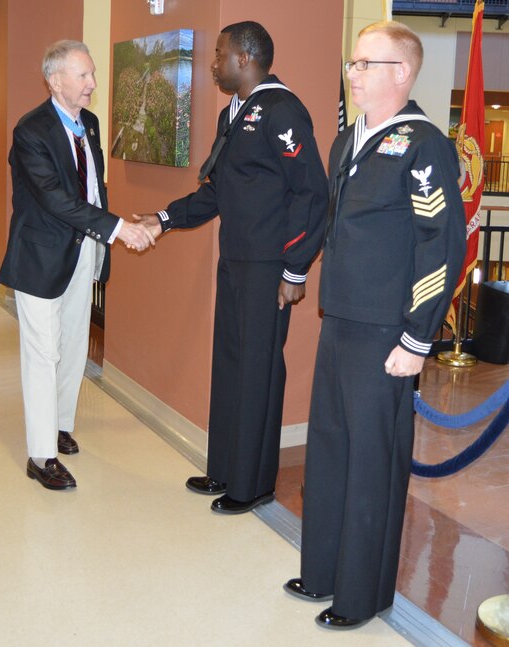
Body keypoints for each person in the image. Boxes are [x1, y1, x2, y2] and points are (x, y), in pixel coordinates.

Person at [284, 21, 465, 629]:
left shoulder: (422, 144)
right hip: (341, 321)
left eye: (366, 64)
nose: (353, 74)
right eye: (353, 64)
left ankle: (362, 596)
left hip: (388, 333)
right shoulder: (347, 142)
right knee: (330, 451)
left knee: (371, 464)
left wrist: (417, 338)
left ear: (402, 73)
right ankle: (322, 572)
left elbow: (441, 245)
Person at [137, 22, 328, 514]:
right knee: (231, 364)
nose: (213, 62)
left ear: (244, 58)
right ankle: (223, 467)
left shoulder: (282, 110)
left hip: (269, 267)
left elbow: (312, 192)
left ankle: (252, 483)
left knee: (258, 370)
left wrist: (295, 269)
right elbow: (215, 193)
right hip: (236, 260)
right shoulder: (233, 112)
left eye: (219, 54)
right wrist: (163, 219)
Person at [0, 40, 155, 490]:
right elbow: (53, 198)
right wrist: (117, 228)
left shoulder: (90, 123)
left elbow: (91, 188)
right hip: (42, 254)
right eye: (83, 76)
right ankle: (40, 453)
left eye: (92, 75)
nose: (92, 85)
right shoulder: (31, 131)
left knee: (72, 345)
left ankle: (60, 423)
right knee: (43, 353)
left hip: (85, 248)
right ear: (55, 81)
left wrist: (103, 236)